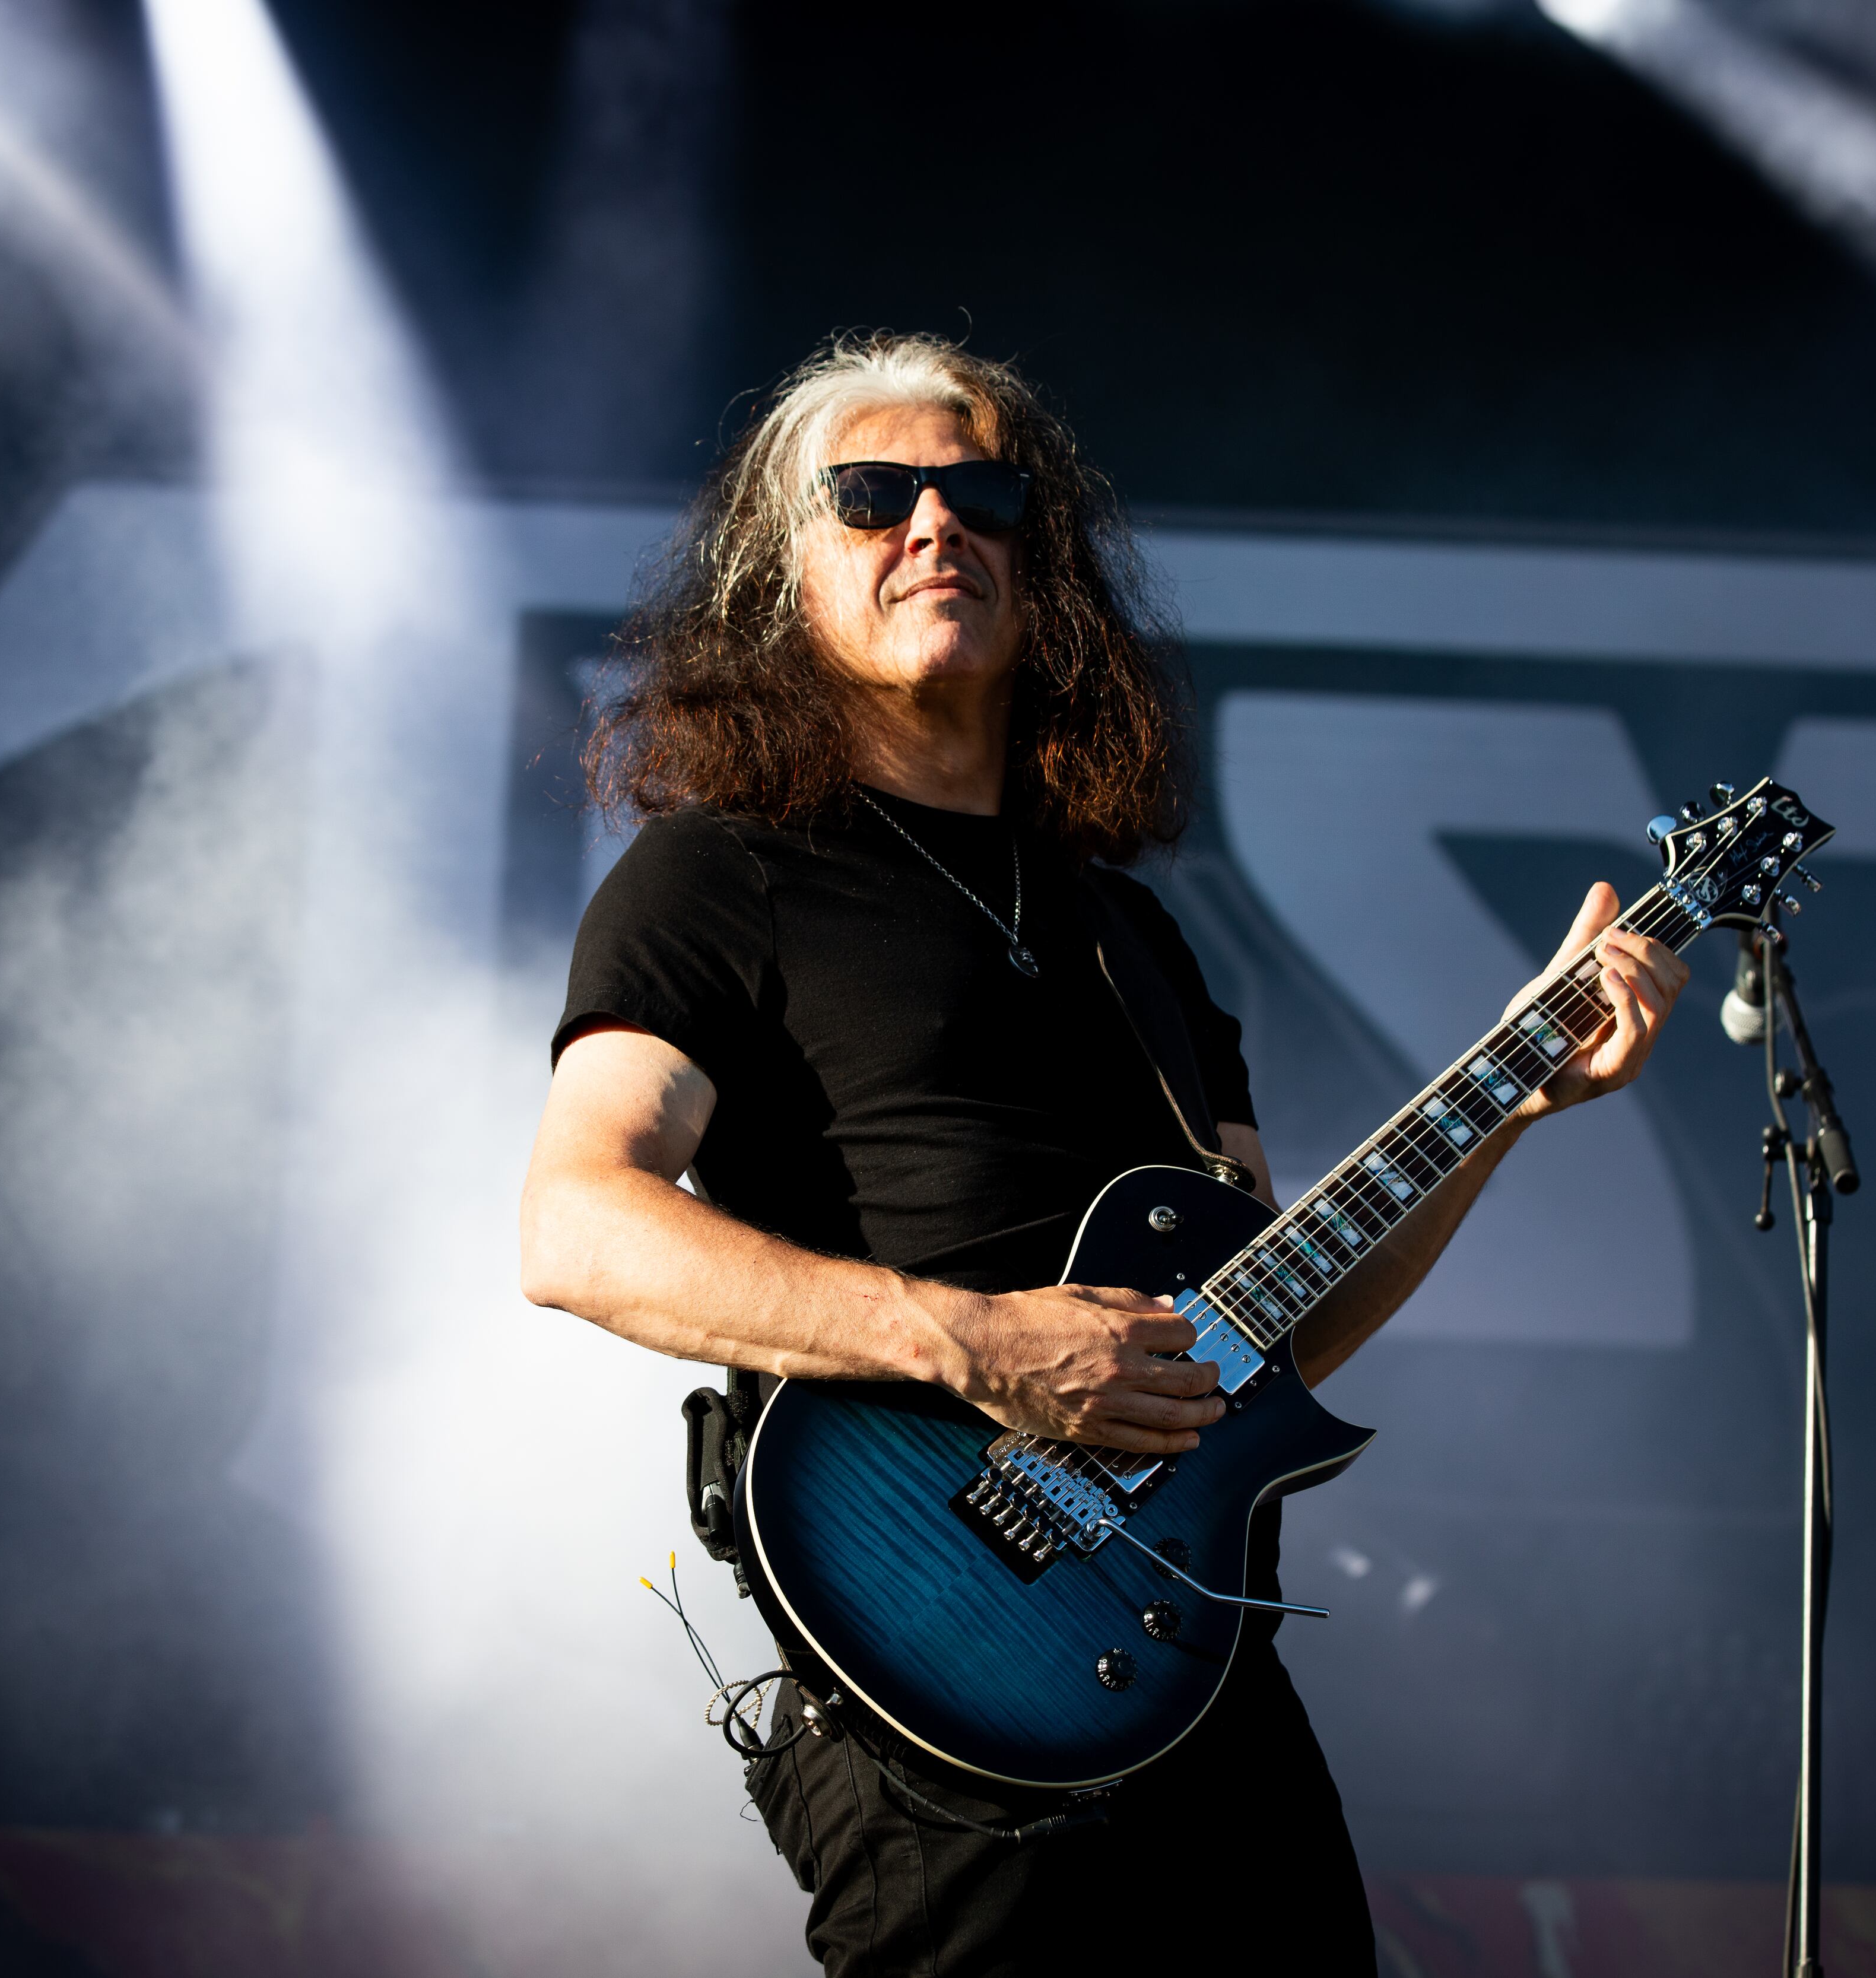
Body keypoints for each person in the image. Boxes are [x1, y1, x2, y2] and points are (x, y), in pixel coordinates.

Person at [518, 332, 1686, 1976]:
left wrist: (1510, 1106)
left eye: (983, 495)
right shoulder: (719, 879)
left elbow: (1268, 1338)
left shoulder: (1131, 938)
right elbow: (577, 1226)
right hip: (938, 1682)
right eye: (874, 496)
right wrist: (976, 1341)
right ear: (788, 576)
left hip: (1198, 1681)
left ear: (1041, 562)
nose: (937, 524)